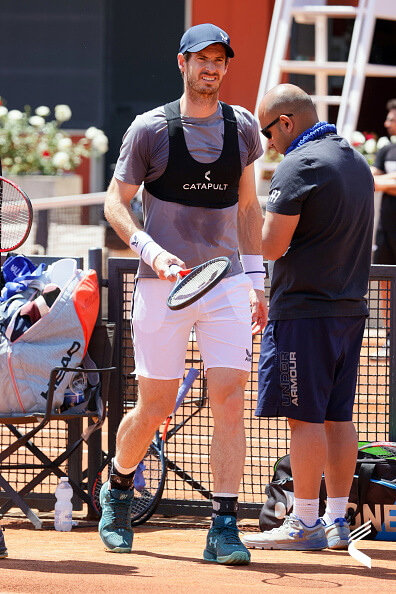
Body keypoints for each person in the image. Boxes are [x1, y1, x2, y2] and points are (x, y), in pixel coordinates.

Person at [99, 23, 268, 565]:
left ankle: (223, 525)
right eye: (202, 59)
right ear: (182, 63)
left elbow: (247, 208)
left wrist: (257, 281)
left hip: (226, 287)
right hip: (160, 285)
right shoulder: (149, 129)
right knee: (153, 407)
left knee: (229, 399)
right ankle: (119, 487)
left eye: (220, 60)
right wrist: (152, 252)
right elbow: (115, 205)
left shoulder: (242, 127)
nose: (211, 68)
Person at [241, 84, 374, 552]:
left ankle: (304, 522)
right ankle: (336, 521)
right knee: (339, 418)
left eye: (268, 132)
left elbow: (271, 245)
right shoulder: (356, 161)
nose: (268, 143)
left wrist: (246, 217)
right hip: (349, 310)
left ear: (287, 123)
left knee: (305, 420)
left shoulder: (299, 164)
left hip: (305, 314)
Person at [371, 99, 396, 357]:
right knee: (387, 284)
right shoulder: (386, 149)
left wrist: (384, 181)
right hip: (385, 229)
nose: (386, 123)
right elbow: (371, 181)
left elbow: (379, 180)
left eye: (391, 119)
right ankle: (391, 339)